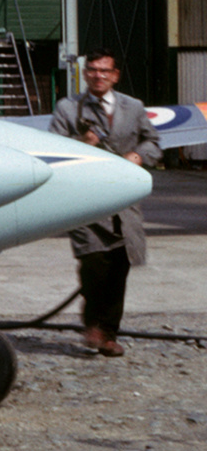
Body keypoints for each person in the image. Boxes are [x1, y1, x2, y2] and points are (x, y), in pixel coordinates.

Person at [49, 50, 160, 356]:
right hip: (86, 201)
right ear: (85, 74)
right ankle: (93, 325)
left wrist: (139, 156)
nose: (99, 75)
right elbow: (53, 147)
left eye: (104, 71)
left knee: (118, 267)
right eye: (93, 71)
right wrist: (82, 144)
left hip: (124, 201)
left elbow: (152, 140)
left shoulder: (134, 107)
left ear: (115, 75)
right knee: (94, 265)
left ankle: (109, 333)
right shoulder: (68, 108)